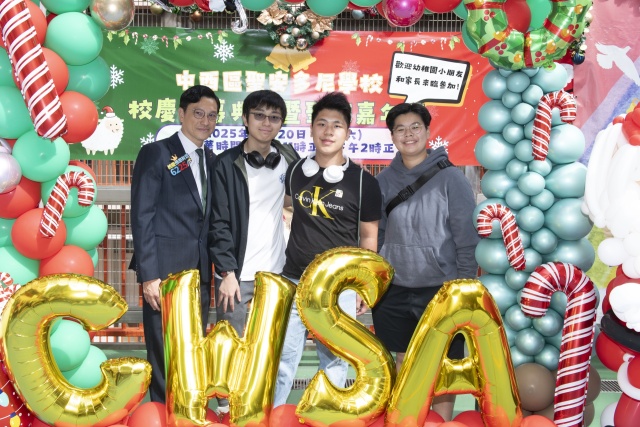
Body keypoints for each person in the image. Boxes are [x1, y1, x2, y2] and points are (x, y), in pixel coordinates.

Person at [371, 102, 479, 421]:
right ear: (392, 136)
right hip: (394, 289)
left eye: (415, 127)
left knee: (442, 365)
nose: (409, 134)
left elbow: (466, 238)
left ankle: (439, 422)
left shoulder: (451, 179)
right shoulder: (383, 181)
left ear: (428, 132)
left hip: (441, 290)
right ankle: (406, 419)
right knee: (403, 360)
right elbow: (376, 234)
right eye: (400, 129)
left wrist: (462, 287)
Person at [273, 92, 382, 406]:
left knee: (336, 361)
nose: (328, 131)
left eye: (337, 125)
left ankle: (327, 415)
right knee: (283, 359)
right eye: (321, 123)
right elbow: (287, 206)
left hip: (339, 287)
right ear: (311, 128)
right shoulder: (297, 172)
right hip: (294, 280)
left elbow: (369, 238)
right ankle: (275, 414)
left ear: (347, 133)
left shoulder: (364, 183)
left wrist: (363, 286)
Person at [209, 89, 299, 414]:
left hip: (276, 274)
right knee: (230, 344)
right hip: (236, 275)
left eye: (274, 118)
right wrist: (226, 272)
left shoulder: (289, 158)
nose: (266, 123)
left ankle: (262, 409)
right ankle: (225, 409)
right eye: (259, 115)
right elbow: (217, 222)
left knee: (269, 347)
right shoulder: (225, 163)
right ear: (245, 119)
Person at [130, 85, 219, 403]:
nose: (205, 121)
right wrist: (149, 276)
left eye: (212, 116)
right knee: (163, 351)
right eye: (198, 113)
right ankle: (161, 414)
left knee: (191, 349)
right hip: (164, 274)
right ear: (182, 114)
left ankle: (185, 412)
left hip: (199, 274)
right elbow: (142, 216)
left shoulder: (211, 159)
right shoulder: (157, 153)